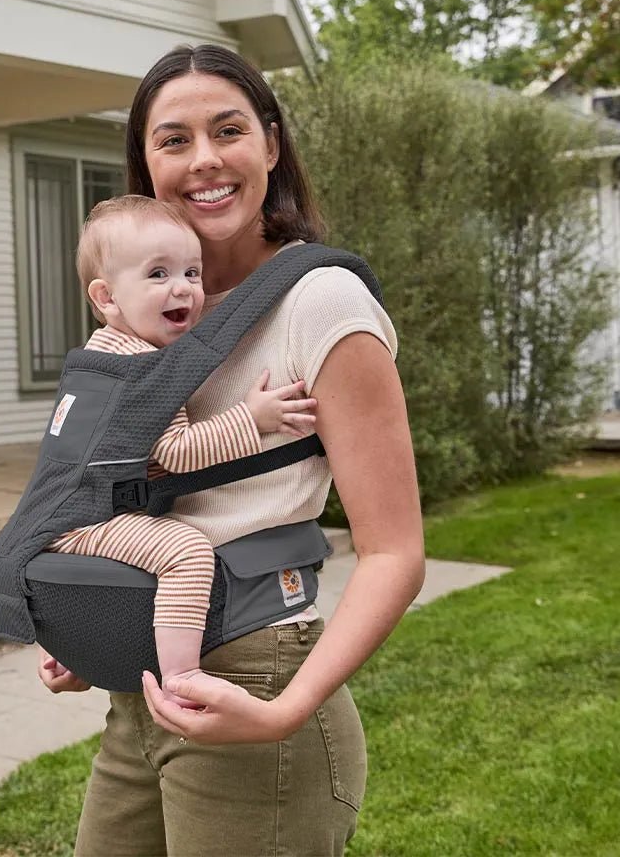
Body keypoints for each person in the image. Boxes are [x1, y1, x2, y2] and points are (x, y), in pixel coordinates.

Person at [37, 44, 425, 857]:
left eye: (228, 129)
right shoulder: (138, 314)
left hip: (259, 679)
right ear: (144, 163)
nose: (205, 159)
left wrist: (287, 710)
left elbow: (394, 551)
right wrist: (88, 624)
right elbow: (110, 491)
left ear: (271, 146)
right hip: (141, 685)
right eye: (173, 139)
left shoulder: (321, 303)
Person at [44, 194, 318, 707]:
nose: (183, 289)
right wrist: (252, 420)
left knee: (151, 563)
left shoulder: (101, 354)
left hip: (68, 514)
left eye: (193, 273)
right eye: (158, 274)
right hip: (90, 519)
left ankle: (81, 641)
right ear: (106, 298)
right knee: (187, 551)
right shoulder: (146, 370)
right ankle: (183, 678)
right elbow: (176, 453)